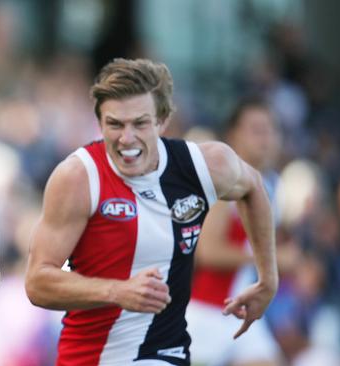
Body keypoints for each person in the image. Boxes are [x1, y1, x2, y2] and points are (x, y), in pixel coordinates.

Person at [25, 58, 278, 366]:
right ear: (99, 121)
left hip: (165, 353)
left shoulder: (203, 166)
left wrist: (268, 279)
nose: (126, 138)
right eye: (114, 124)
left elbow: (253, 188)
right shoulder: (78, 177)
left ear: (162, 120)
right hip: (90, 358)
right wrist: (117, 291)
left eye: (140, 124)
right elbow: (38, 282)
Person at [186, 98, 283, 366]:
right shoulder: (224, 182)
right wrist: (271, 258)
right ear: (233, 134)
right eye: (256, 130)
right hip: (207, 310)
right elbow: (209, 252)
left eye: (270, 130)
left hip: (241, 311)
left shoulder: (274, 184)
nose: (265, 139)